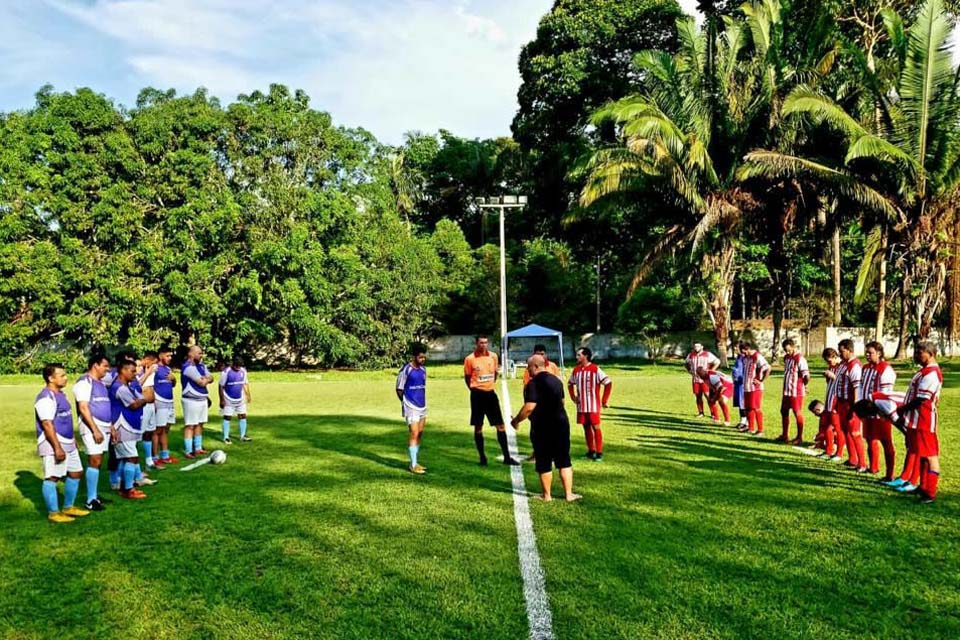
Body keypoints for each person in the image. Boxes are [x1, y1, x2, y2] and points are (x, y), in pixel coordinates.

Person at [511, 355, 580, 502]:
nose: (527, 370)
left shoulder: (533, 383)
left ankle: (546, 495)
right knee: (564, 459)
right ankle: (569, 494)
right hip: (561, 424)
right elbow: (562, 401)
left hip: (542, 426)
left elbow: (529, 407)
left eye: (529, 367)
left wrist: (516, 420)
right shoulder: (556, 381)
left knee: (543, 460)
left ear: (536, 366)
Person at [36, 364, 90, 522]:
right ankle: (53, 513)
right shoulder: (46, 398)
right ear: (51, 378)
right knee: (52, 477)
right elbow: (47, 424)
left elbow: (64, 420)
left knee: (76, 472)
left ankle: (68, 507)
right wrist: (57, 448)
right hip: (54, 444)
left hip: (68, 442)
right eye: (62, 375)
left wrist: (72, 440)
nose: (66, 378)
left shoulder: (60, 394)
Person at [894, 342, 943, 503]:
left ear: (930, 354)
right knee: (921, 454)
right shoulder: (924, 371)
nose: (916, 356)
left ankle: (930, 492)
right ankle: (923, 486)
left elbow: (922, 399)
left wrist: (902, 409)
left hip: (924, 421)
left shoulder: (932, 373)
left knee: (930, 456)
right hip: (915, 420)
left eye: (919, 353)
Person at [464, 336, 518, 466]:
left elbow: (495, 374)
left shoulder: (493, 356)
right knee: (478, 426)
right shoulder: (470, 359)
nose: (483, 345)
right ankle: (482, 457)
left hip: (490, 395)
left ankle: (507, 457)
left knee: (500, 425)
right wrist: (475, 389)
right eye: (481, 343)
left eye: (485, 342)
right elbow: (467, 377)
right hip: (477, 395)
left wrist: (489, 385)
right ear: (476, 343)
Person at [74, 353, 112, 511]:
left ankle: (94, 495)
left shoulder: (101, 383)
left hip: (104, 426)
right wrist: (95, 429)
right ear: (95, 365)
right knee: (94, 459)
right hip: (92, 426)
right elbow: (83, 407)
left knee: (98, 460)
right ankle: (90, 500)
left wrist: (111, 427)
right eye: (105, 366)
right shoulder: (84, 382)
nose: (107, 369)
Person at [110, 360, 149, 499]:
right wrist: (142, 400)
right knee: (132, 457)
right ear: (123, 370)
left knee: (125, 458)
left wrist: (142, 400)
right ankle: (128, 489)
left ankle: (124, 487)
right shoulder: (119, 388)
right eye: (132, 371)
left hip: (130, 425)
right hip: (122, 425)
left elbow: (142, 399)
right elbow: (134, 404)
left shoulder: (129, 386)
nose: (135, 374)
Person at [568, 347, 612, 461]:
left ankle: (599, 452)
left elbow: (608, 383)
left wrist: (604, 400)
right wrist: (573, 397)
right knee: (586, 426)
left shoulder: (595, 369)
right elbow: (570, 383)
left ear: (586, 356)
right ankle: (591, 451)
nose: (577, 357)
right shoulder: (576, 370)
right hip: (581, 405)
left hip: (593, 405)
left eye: (579, 355)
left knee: (595, 427)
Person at [861, 341, 897, 480]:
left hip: (880, 411)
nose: (867, 355)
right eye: (866, 352)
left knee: (886, 441)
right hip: (867, 409)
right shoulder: (865, 368)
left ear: (879, 353)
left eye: (870, 353)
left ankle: (890, 474)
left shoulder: (886, 369)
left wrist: (881, 409)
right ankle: (873, 467)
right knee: (869, 439)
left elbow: (885, 393)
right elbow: (862, 388)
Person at [522, 344, 562, 464]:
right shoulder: (529, 369)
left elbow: (558, 385)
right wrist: (527, 402)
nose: (540, 356)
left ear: (546, 354)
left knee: (553, 431)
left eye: (542, 353)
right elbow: (526, 386)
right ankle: (536, 452)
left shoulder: (552, 366)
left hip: (551, 406)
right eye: (538, 353)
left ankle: (553, 454)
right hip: (536, 405)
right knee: (535, 431)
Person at [396, 344, 428, 474]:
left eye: (424, 357)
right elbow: (399, 389)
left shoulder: (423, 370)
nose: (423, 359)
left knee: (420, 432)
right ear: (414, 357)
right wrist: (405, 402)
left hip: (422, 406)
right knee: (414, 433)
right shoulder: (406, 370)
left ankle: (415, 461)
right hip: (411, 406)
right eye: (420, 357)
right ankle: (413, 465)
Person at [836, 339, 866, 472]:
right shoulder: (844, 364)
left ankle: (862, 463)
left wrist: (854, 408)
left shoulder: (855, 366)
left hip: (850, 403)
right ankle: (852, 459)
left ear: (849, 350)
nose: (840, 354)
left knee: (855, 432)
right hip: (842, 402)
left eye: (842, 351)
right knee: (846, 430)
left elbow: (856, 388)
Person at [181, 345, 214, 459]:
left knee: (200, 424)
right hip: (191, 401)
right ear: (191, 354)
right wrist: (206, 379)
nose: (201, 355)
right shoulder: (188, 367)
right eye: (199, 353)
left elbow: (211, 378)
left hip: (202, 399)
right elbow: (201, 382)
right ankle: (188, 450)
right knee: (190, 425)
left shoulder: (202, 366)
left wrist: (207, 379)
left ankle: (198, 447)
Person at [779, 338, 810, 444]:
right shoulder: (786, 358)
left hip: (796, 391)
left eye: (789, 350)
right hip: (787, 390)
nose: (787, 352)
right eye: (785, 350)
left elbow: (806, 375)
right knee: (784, 411)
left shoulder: (800, 359)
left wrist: (805, 385)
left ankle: (799, 437)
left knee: (797, 412)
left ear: (793, 347)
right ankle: (785, 435)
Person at [817, 348, 845, 461]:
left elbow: (842, 382)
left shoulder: (841, 366)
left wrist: (833, 376)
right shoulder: (831, 367)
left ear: (834, 357)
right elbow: (830, 383)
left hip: (836, 401)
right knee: (827, 428)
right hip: (829, 399)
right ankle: (828, 451)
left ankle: (839, 453)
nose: (829, 363)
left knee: (837, 428)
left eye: (829, 360)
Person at [153, 346, 179, 466]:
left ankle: (165, 455)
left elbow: (173, 384)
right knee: (157, 430)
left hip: (169, 402)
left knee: (165, 429)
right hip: (160, 401)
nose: (170, 358)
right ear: (160, 355)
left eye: (170, 356)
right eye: (167, 355)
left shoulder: (168, 369)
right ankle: (155, 457)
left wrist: (174, 379)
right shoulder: (155, 368)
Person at [738, 342, 770, 436]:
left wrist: (761, 380)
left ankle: (760, 430)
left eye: (744, 351)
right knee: (748, 408)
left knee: (756, 408)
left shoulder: (757, 357)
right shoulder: (745, 358)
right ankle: (751, 428)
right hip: (746, 386)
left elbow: (768, 368)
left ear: (748, 349)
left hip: (755, 387)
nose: (743, 353)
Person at [220, 356, 252, 444]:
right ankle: (226, 437)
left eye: (240, 366)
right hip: (228, 398)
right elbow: (221, 386)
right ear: (233, 364)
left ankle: (243, 436)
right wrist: (221, 399)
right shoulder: (226, 372)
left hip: (240, 398)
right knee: (227, 417)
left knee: (243, 415)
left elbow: (245, 384)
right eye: (237, 365)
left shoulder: (243, 371)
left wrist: (248, 395)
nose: (238, 367)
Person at [685, 342, 720, 418]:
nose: (696, 348)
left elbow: (717, 362)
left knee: (708, 396)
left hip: (705, 379)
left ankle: (713, 413)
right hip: (696, 379)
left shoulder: (707, 354)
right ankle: (701, 412)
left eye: (698, 346)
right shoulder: (691, 355)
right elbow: (686, 363)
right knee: (698, 395)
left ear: (702, 347)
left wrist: (711, 370)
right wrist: (689, 371)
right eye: (695, 346)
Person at [139, 351, 161, 470]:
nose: (155, 366)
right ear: (147, 360)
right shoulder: (138, 370)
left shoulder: (150, 371)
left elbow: (151, 387)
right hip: (143, 406)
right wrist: (148, 373)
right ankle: (136, 464)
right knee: (140, 434)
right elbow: (138, 385)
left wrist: (155, 401)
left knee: (149, 432)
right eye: (154, 363)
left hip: (151, 405)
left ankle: (149, 460)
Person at [731, 342, 748, 427]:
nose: (735, 349)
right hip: (737, 383)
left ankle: (746, 422)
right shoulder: (738, 357)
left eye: (736, 347)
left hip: (743, 383)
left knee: (743, 402)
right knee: (739, 402)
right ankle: (742, 420)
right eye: (734, 347)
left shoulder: (745, 358)